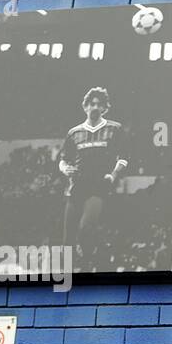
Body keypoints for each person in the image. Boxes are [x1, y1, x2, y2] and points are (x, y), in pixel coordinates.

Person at [58, 86, 128, 271]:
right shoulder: (74, 132)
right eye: (91, 104)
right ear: (85, 107)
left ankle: (88, 265)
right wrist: (65, 169)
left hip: (99, 187)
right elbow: (63, 160)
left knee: (85, 229)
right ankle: (67, 278)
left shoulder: (115, 128)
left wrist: (113, 175)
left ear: (105, 108)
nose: (95, 107)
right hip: (76, 187)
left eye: (99, 104)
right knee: (67, 240)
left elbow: (124, 158)